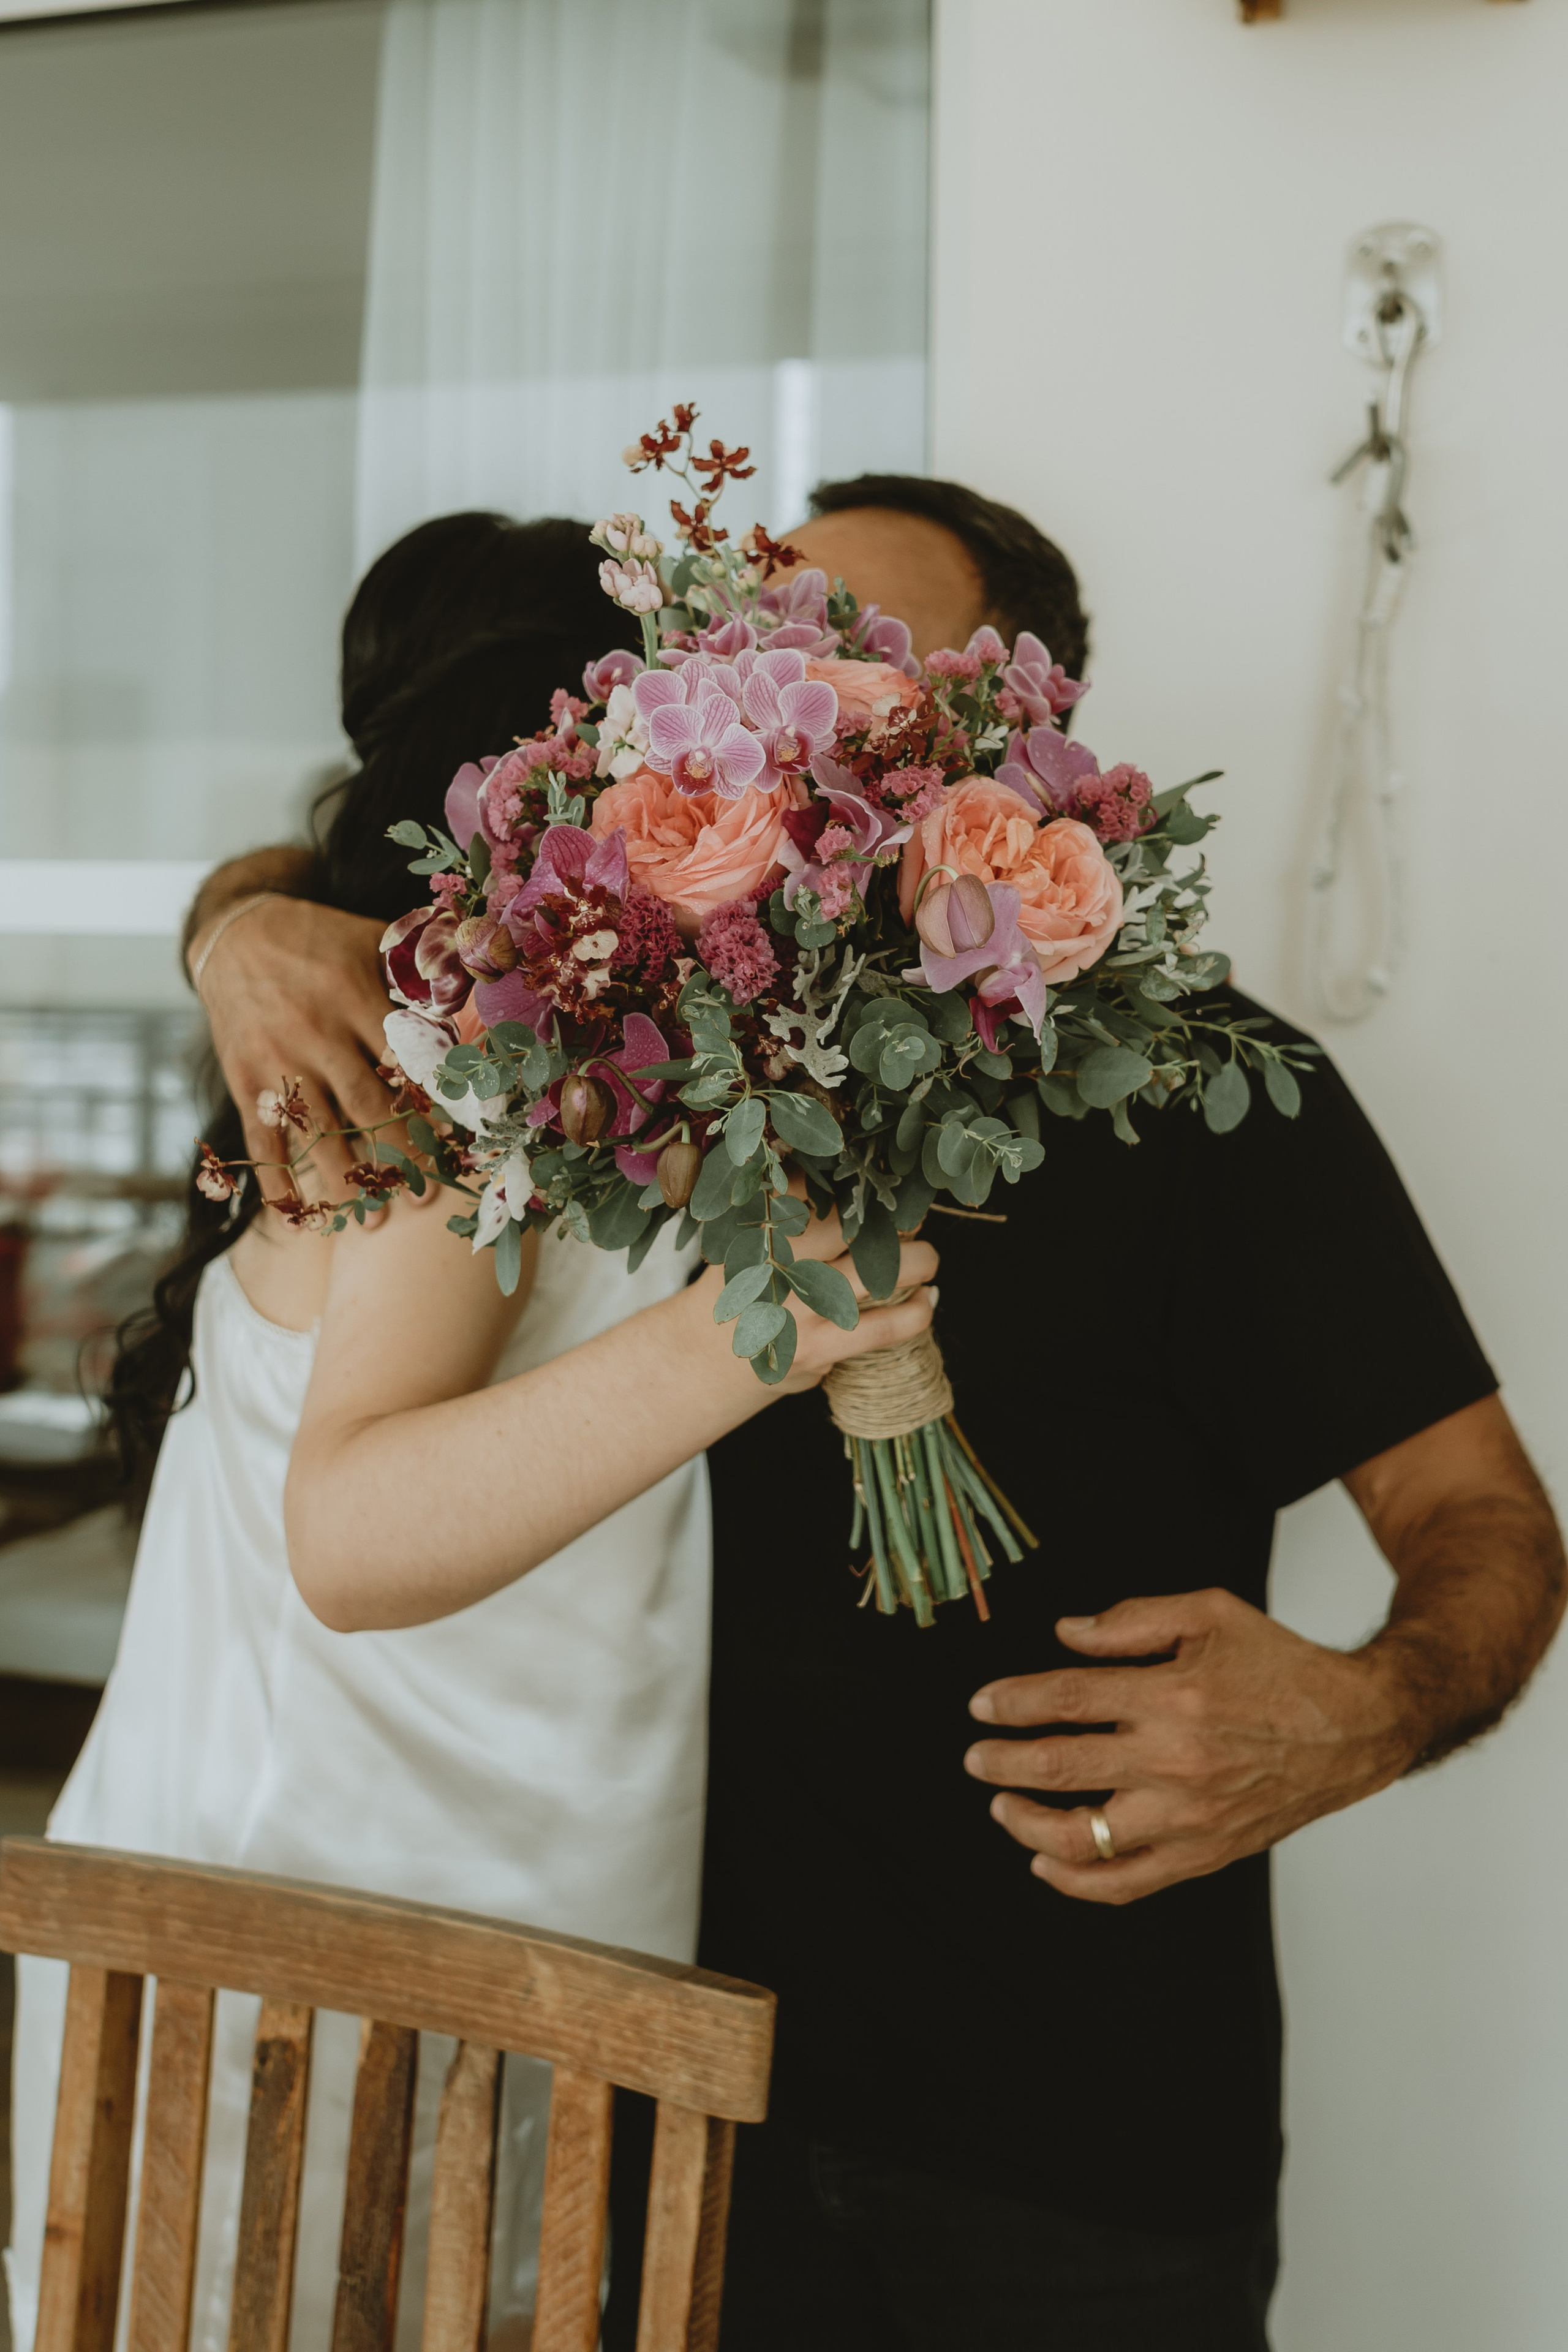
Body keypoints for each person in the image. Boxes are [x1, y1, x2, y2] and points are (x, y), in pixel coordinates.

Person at [177, 476, 1566, 2352]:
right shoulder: (612, 1045)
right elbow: (391, 857)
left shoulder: (1212, 1093)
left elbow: (1488, 1522)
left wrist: (1360, 1709)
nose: (786, 705)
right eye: (750, 658)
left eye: (860, 679)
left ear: (1020, 748)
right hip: (660, 2106)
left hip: (1079, 2148)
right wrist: (246, 920)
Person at [4, 512, 934, 2352]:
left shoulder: (603, 1045)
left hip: (488, 1927)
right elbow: (347, 1540)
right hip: (298, 1957)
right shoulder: (452, 1055)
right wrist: (773, 1329)